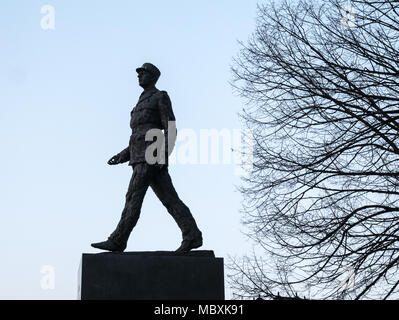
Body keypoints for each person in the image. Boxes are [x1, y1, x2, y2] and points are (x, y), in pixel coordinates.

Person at [91, 63, 203, 253]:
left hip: (151, 157)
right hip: (140, 157)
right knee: (170, 199)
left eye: (143, 73)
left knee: (133, 197)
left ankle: (118, 240)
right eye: (139, 73)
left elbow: (171, 129)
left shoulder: (160, 97)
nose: (139, 76)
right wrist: (122, 155)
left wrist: (163, 155)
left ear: (153, 76)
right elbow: (138, 135)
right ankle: (192, 234)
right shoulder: (140, 102)